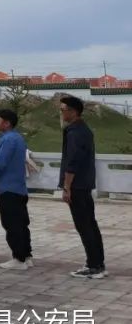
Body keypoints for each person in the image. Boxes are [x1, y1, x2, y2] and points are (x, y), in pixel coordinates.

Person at [59, 95, 106, 279]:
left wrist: (66, 187)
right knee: (90, 224)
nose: (61, 113)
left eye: (63, 110)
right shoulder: (83, 129)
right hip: (84, 184)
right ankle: (97, 263)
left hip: (77, 186)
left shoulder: (75, 132)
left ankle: (94, 266)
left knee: (84, 226)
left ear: (73, 111)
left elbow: (73, 162)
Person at [0, 109, 33, 270]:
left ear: (6, 123)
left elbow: (1, 162)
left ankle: (19, 258)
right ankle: (26, 255)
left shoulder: (8, 140)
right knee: (21, 223)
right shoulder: (18, 138)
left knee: (11, 224)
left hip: (8, 188)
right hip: (19, 188)